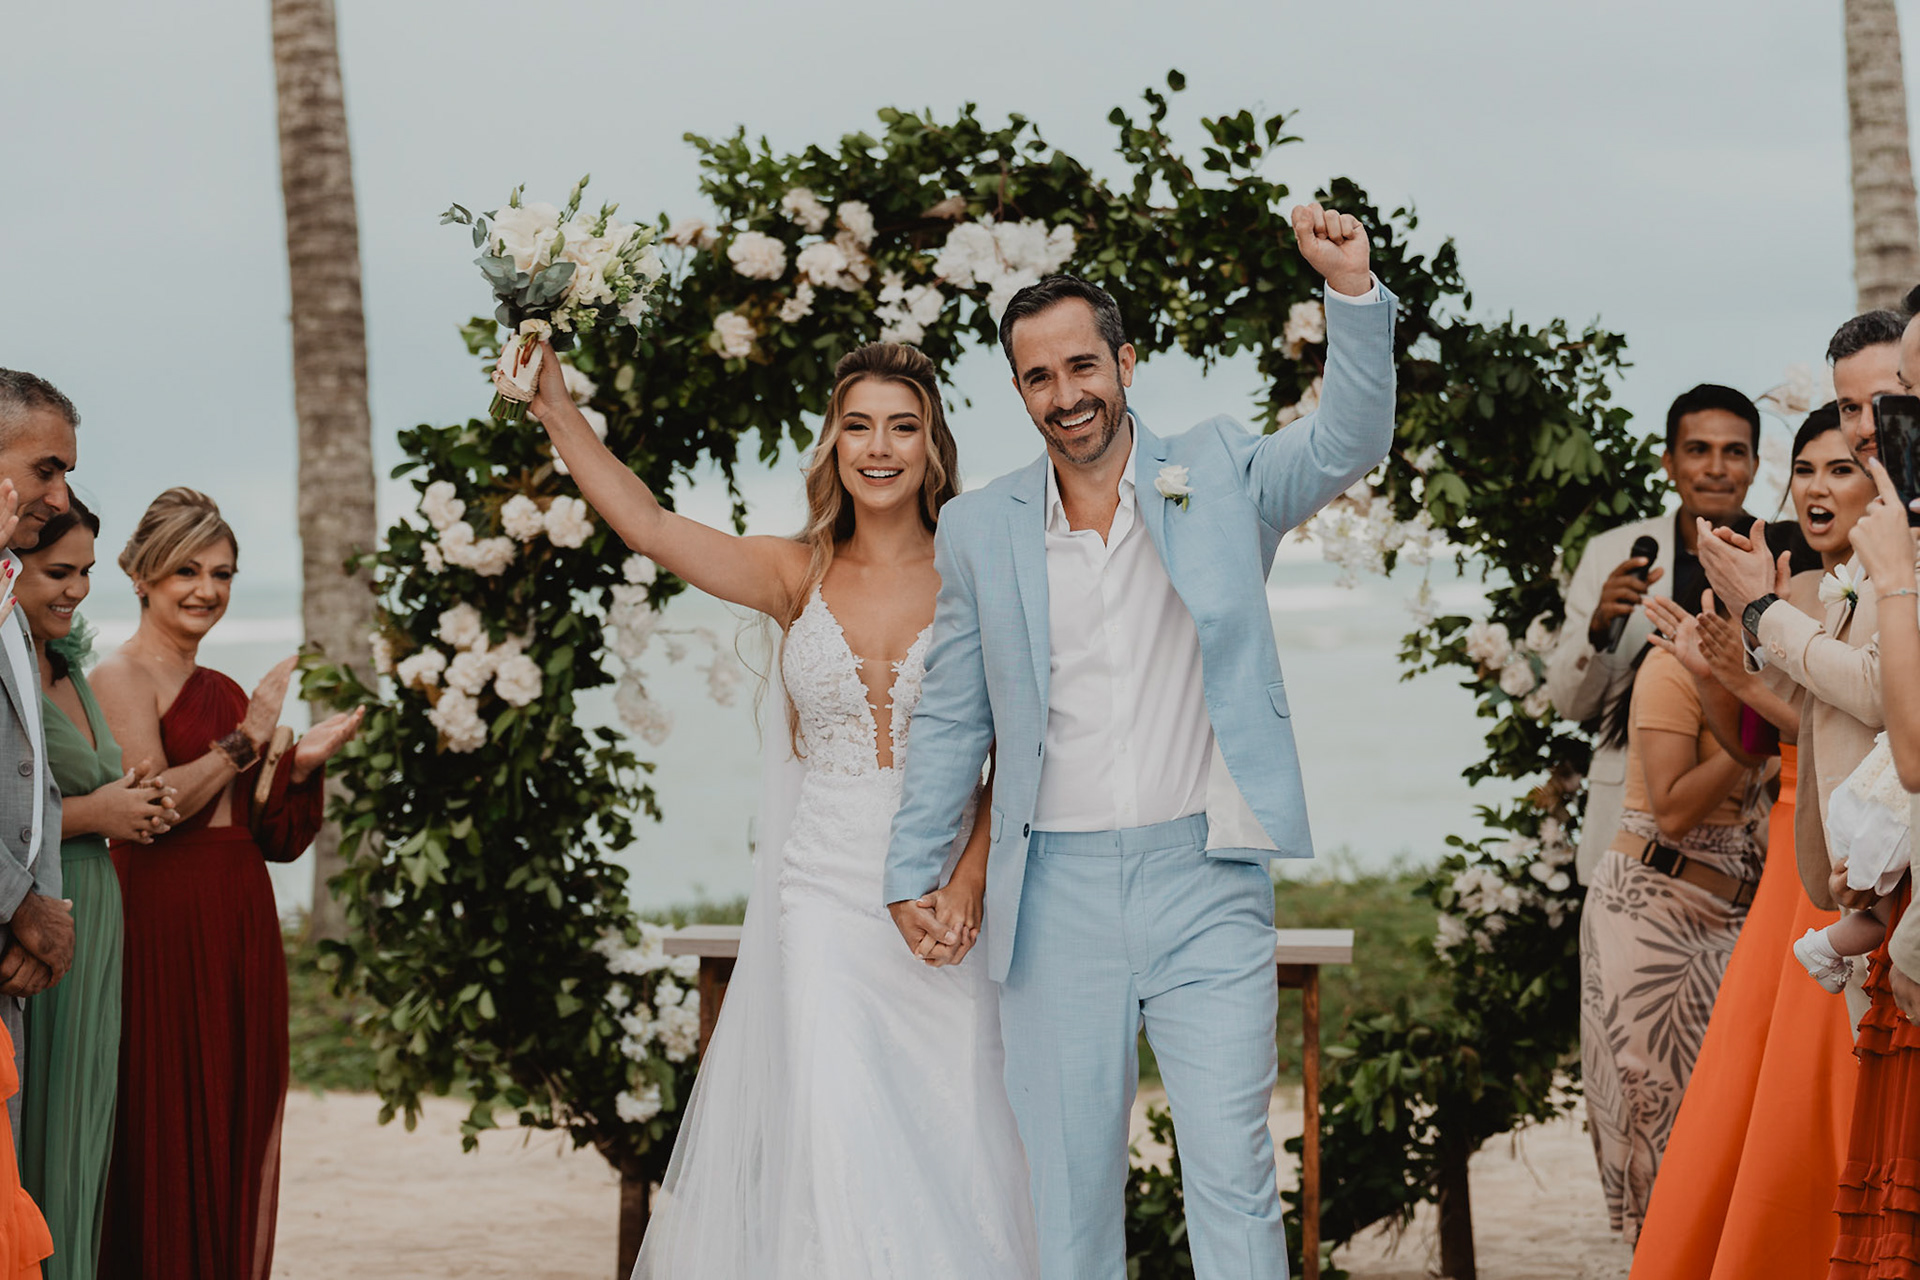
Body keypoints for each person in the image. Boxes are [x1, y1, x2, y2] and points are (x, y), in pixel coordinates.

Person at [884, 203, 1395, 1279]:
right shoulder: (980, 527)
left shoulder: (1219, 471)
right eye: (1038, 378)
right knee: (1067, 1201)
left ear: (1125, 360)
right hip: (1053, 893)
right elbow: (952, 716)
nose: (1066, 395)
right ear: (1017, 390)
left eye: (1083, 365)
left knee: (1234, 1171)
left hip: (1204, 878)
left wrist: (1349, 294)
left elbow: (1348, 439)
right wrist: (912, 867)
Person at [527, 340, 1039, 1277]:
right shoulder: (792, 573)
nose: (879, 447)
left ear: (932, 445)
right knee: (835, 1126)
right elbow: (645, 524)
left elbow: (1015, 749)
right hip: (825, 893)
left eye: (902, 426)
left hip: (946, 896)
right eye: (858, 426)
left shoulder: (980, 568)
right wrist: (558, 408)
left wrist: (968, 882)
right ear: (833, 444)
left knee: (958, 1125)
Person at [92, 489, 361, 1280]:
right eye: (186, 570)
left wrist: (299, 767)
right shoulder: (119, 678)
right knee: (168, 1119)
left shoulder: (227, 690)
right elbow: (156, 813)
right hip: (162, 923)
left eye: (223, 573)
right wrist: (249, 741)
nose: (206, 589)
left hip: (241, 921)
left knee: (233, 1116)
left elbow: (270, 837)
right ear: (141, 575)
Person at [1630, 405, 1868, 1279]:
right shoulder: (1799, 590)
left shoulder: (1875, 590)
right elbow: (1760, 746)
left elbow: (1839, 715)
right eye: (1805, 469)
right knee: (1755, 1085)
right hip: (1793, 848)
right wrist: (1714, 672)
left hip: (1853, 850)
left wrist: (1736, 664)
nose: (1816, 487)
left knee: (1825, 1082)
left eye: (1841, 469)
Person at [1547, 383, 1814, 885]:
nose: (1716, 468)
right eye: (1698, 450)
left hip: (1749, 841)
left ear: (1755, 465)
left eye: (1734, 452)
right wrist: (1599, 630)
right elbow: (1569, 705)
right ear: (1669, 463)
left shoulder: (1786, 556)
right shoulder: (1611, 553)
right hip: (1628, 834)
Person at [15, 497, 177, 1280]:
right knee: (39, 1134)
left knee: (84, 1134)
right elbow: (17, 816)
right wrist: (100, 810)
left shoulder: (69, 663)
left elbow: (82, 779)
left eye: (84, 572)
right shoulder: (9, 672)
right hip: (44, 909)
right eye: (57, 571)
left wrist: (132, 795)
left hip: (100, 913)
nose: (76, 588)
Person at [1817, 289, 1920, 1277]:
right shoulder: (1882, 519)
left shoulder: (1899, 536)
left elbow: (1904, 718)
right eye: (1849, 408)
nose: (1870, 426)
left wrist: (1769, 619)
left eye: (1892, 395)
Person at [0, 372, 80, 1149]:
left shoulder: (10, 602)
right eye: (45, 469)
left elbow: (37, 791)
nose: (58, 497)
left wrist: (45, 920)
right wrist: (18, 908)